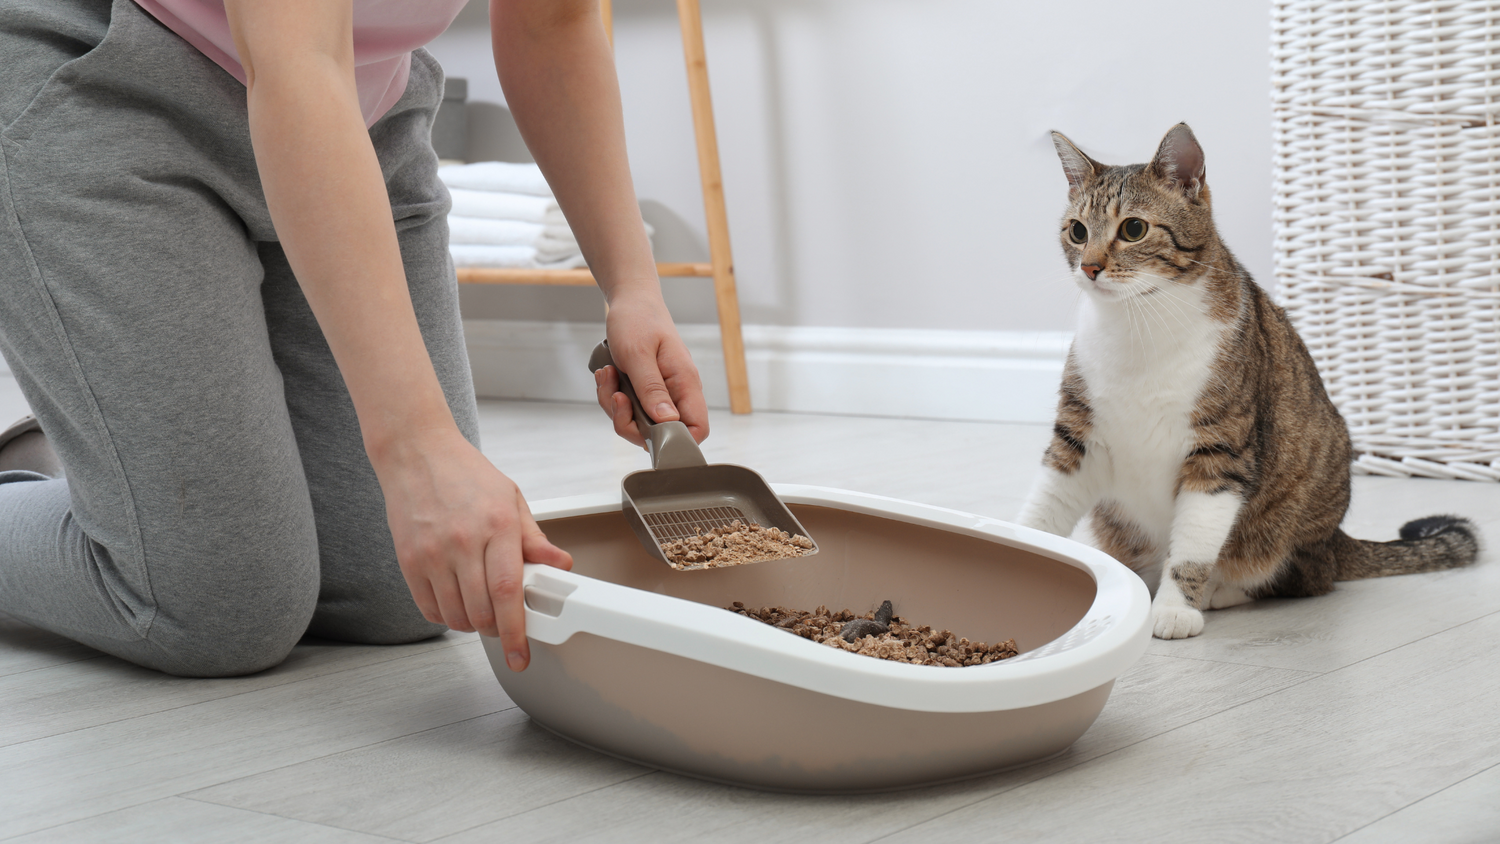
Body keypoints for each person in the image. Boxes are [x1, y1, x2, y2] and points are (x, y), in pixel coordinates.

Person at [0, 0, 707, 677]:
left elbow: (553, 23)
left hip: (362, 110)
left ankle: (119, 466)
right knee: (220, 607)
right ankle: (118, 474)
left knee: (405, 591)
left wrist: (633, 290)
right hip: (105, 83)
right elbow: (295, 60)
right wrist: (417, 447)